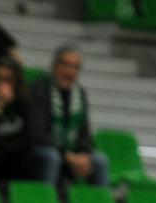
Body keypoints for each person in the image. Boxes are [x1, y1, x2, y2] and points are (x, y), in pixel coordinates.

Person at [27, 44, 109, 188]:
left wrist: (84, 155)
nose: (69, 71)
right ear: (54, 66)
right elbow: (37, 134)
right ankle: (45, 200)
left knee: (100, 160)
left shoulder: (79, 94)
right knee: (51, 156)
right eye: (65, 65)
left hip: (69, 154)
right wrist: (67, 155)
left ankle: (100, 202)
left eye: (75, 67)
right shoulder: (39, 89)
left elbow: (85, 134)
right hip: (36, 151)